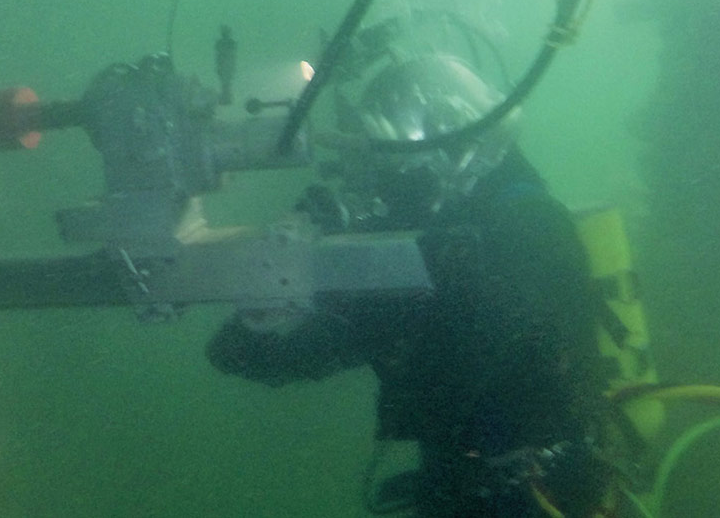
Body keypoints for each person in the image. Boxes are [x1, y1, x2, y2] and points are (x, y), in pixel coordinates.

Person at [206, 54, 613, 517]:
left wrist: (373, 283)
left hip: (541, 497)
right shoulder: (420, 260)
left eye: (389, 163)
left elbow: (500, 339)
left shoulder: (529, 224)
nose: (378, 185)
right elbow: (248, 357)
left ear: (448, 147)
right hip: (462, 495)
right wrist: (267, 300)